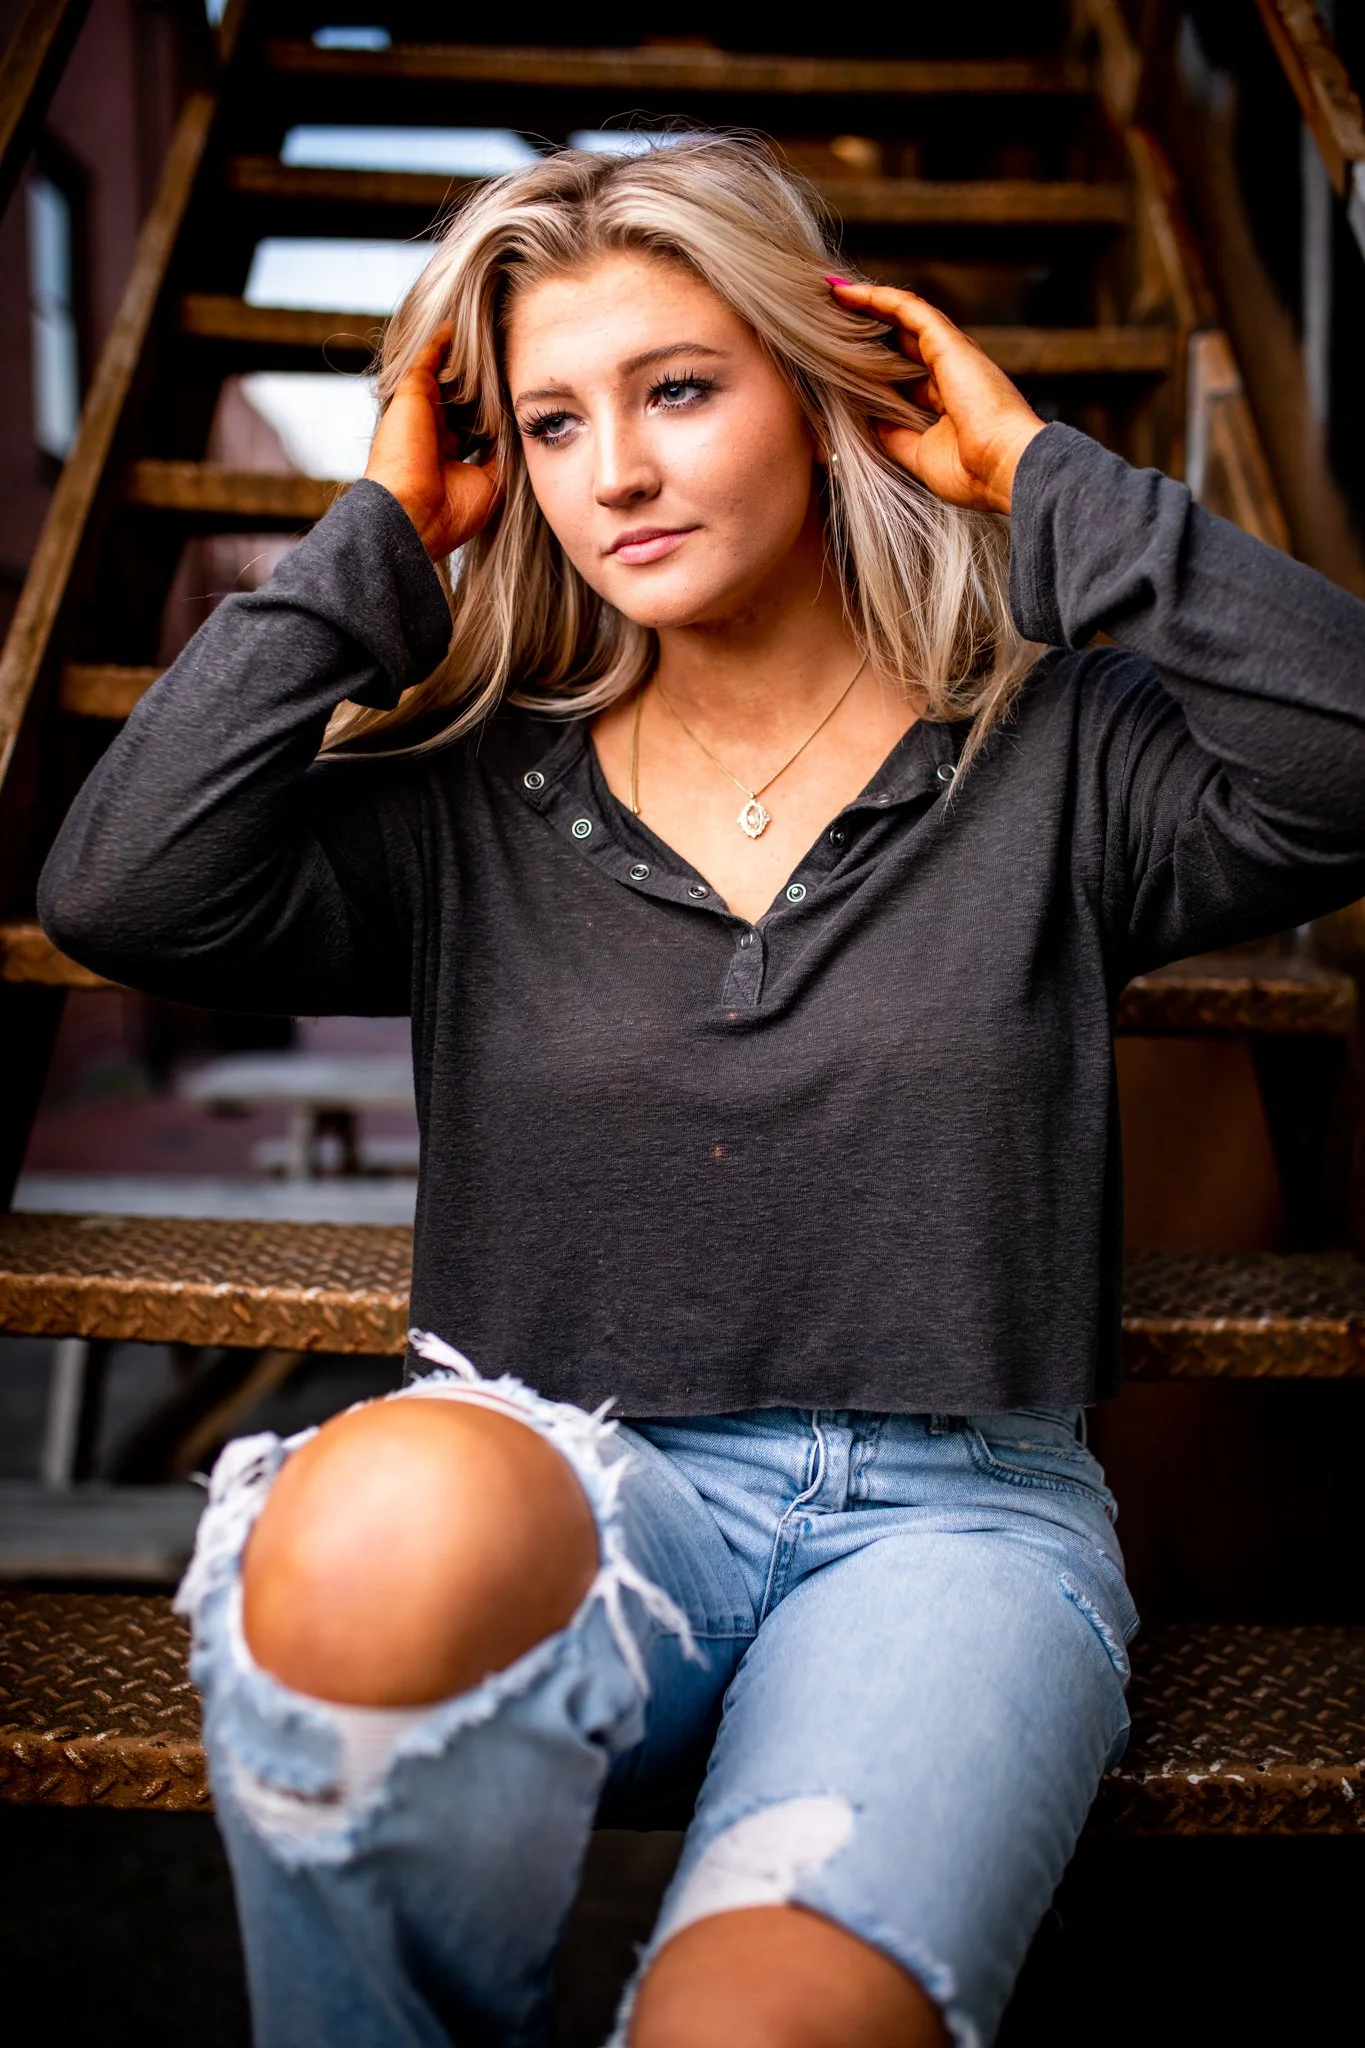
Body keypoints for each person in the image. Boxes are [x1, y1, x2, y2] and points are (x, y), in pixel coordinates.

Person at [38, 135, 1365, 2048]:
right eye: (552, 423)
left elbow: (1346, 761)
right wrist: (380, 551)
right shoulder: (468, 797)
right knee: (373, 1506)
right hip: (580, 1489)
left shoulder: (1058, 755)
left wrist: (1041, 482)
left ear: (823, 398)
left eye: (677, 390)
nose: (616, 476)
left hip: (954, 1527)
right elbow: (120, 886)